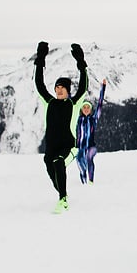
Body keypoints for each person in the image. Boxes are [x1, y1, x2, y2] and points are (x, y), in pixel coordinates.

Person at [34, 41, 90, 213]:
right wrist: (40, 59)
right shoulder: (49, 102)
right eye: (57, 87)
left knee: (59, 163)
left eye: (62, 88)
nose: (58, 90)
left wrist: (81, 63)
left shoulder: (73, 103)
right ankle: (62, 193)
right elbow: (39, 84)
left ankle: (63, 200)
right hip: (51, 147)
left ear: (67, 90)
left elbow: (84, 86)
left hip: (69, 147)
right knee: (52, 170)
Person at [76, 78, 107, 185]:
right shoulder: (77, 119)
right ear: (81, 109)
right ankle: (84, 177)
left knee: (89, 158)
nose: (85, 109)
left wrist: (103, 88)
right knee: (80, 162)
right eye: (84, 107)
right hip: (79, 147)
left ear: (90, 109)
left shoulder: (93, 119)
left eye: (88, 107)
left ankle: (91, 181)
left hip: (91, 146)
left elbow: (100, 105)